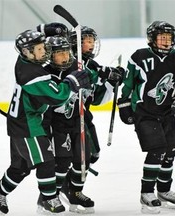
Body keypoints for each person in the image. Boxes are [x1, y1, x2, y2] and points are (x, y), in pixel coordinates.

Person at [0, 29, 92, 215]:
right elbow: (58, 96)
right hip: (28, 126)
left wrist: (52, 30)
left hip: (21, 122)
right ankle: (48, 201)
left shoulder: (25, 61)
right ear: (27, 52)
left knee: (21, 167)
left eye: (44, 47)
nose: (45, 52)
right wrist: (73, 82)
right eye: (40, 49)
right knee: (47, 161)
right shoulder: (32, 74)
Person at [37, 24, 124, 214]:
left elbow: (96, 97)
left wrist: (112, 81)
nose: (91, 45)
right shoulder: (61, 63)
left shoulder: (90, 65)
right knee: (63, 160)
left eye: (92, 41)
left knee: (89, 155)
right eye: (86, 41)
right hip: (59, 121)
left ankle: (73, 191)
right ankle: (49, 196)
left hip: (81, 118)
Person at [117, 21, 175, 214]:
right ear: (152, 39)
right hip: (144, 113)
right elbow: (128, 83)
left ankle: (164, 190)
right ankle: (146, 193)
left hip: (167, 112)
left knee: (171, 150)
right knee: (157, 149)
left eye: (169, 38)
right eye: (162, 38)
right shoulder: (139, 57)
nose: (166, 42)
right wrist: (124, 105)